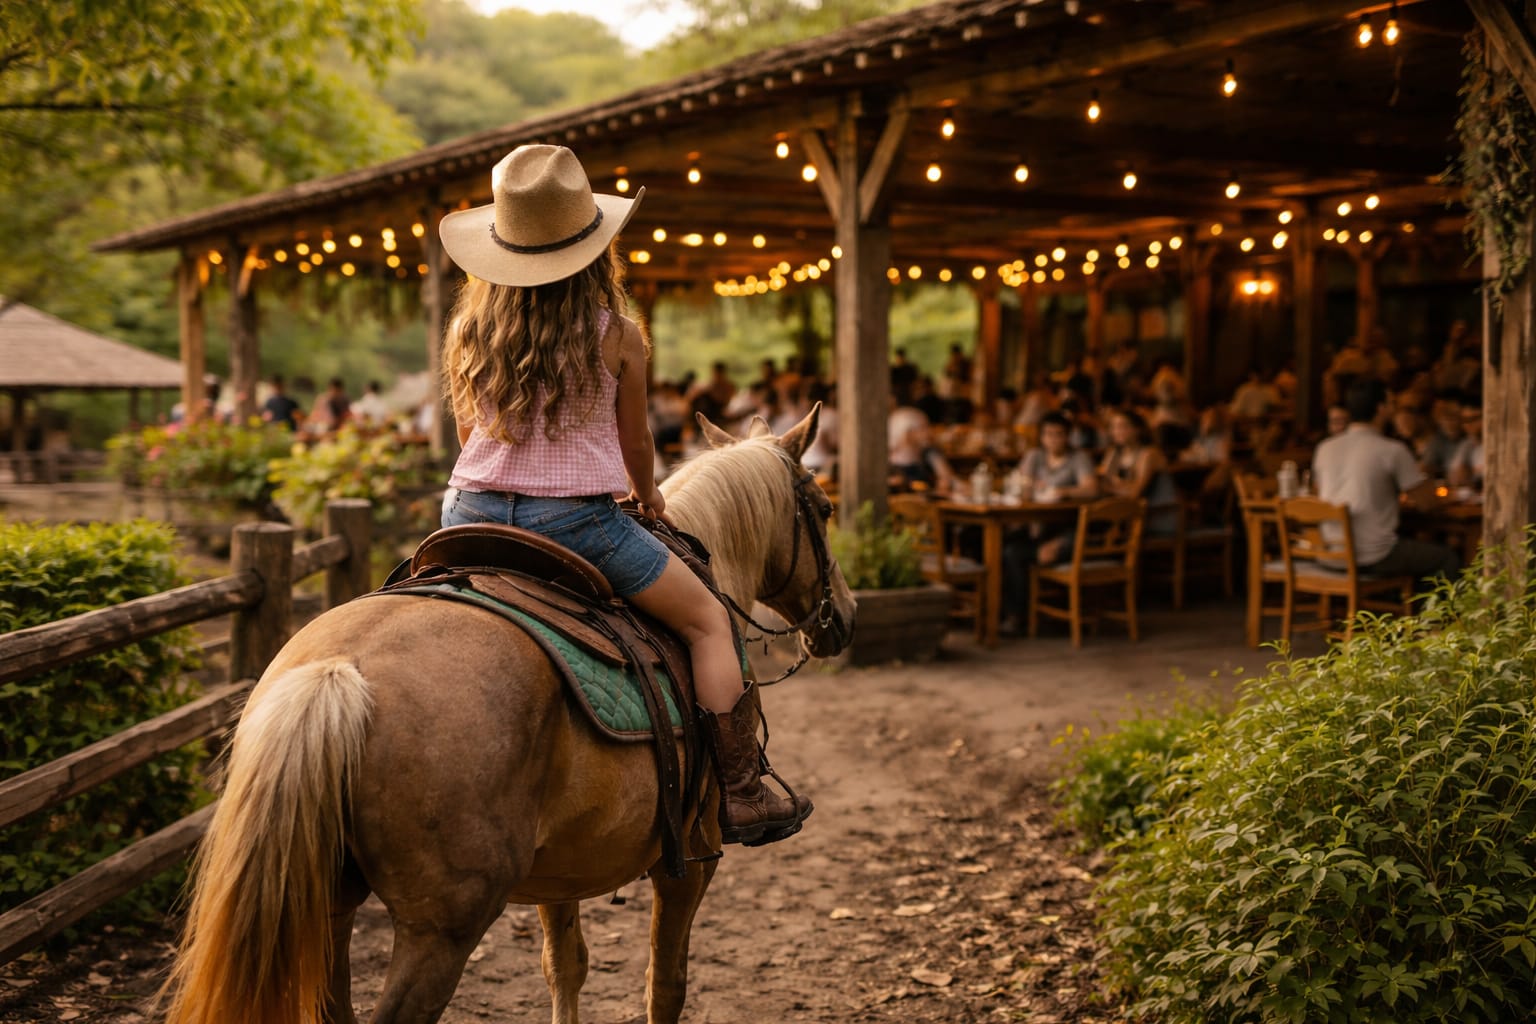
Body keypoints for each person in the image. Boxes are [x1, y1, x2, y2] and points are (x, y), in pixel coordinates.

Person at [435, 144, 810, 846]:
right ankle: (741, 791)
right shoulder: (619, 336)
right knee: (707, 620)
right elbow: (637, 444)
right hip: (577, 524)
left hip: (469, 510)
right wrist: (651, 500)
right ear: (593, 247)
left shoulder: (469, 329)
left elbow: (468, 432)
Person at [1312, 378, 1460, 583]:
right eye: (1392, 403)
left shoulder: (1324, 448)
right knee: (1447, 558)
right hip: (1373, 555)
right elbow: (1427, 503)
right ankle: (1430, 615)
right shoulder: (1392, 450)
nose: (1394, 409)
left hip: (1328, 552)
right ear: (1381, 408)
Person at [999, 412, 1100, 633]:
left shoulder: (1078, 458)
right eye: (1048, 434)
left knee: (1013, 554)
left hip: (1069, 532)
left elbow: (1091, 488)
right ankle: (1000, 612)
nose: (1053, 439)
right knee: (999, 545)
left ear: (1068, 436)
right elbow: (1021, 484)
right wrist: (1027, 487)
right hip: (1036, 527)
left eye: (1059, 434)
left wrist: (1062, 491)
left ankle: (1017, 617)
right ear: (1041, 436)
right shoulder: (1035, 456)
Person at [1098, 407, 1179, 536]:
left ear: (1138, 429)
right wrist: (1117, 485)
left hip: (1157, 516)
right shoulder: (1114, 453)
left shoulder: (1149, 454)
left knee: (1099, 528)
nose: (1117, 431)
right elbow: (1102, 484)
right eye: (1113, 427)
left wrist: (1115, 486)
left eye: (1123, 426)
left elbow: (1135, 492)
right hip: (1133, 515)